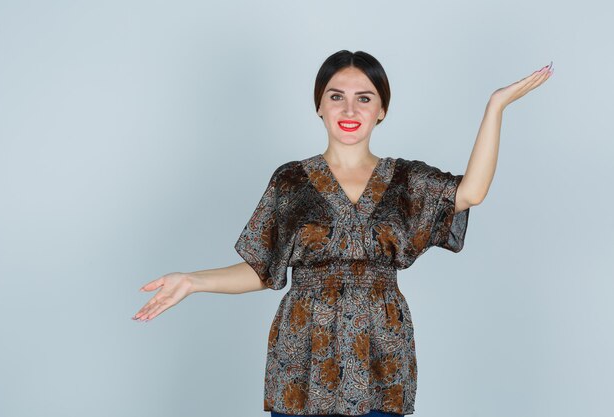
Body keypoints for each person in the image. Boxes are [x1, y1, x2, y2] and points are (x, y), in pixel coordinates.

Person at [132, 50, 553, 416]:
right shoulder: (291, 181)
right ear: (319, 105)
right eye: (337, 97)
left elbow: (470, 192)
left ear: (382, 109)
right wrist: (192, 281)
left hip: (381, 349)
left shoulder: (406, 180)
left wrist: (495, 107)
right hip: (301, 353)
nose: (349, 111)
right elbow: (264, 269)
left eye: (364, 99)